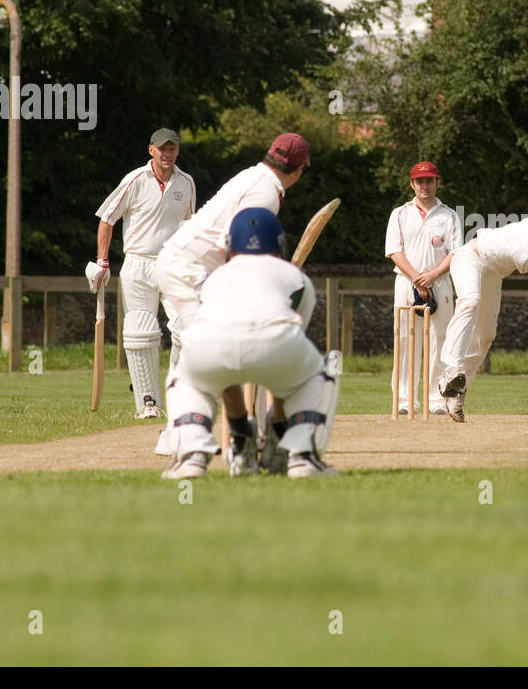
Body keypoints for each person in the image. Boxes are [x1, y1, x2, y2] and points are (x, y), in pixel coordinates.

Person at [154, 132, 309, 457]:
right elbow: (234, 244)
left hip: (185, 264)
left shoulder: (254, 176)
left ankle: (226, 432)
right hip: (189, 269)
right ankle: (221, 434)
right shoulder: (265, 193)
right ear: (299, 169)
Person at [161, 207, 338, 480]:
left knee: (185, 376)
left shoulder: (213, 279)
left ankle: (192, 455)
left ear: (230, 247)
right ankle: (303, 456)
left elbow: (223, 346)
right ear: (279, 244)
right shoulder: (297, 279)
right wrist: (278, 423)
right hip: (279, 348)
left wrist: (239, 427)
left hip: (210, 349)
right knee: (323, 371)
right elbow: (287, 348)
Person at [85, 128, 196, 418]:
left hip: (173, 263)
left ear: (177, 152)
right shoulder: (135, 179)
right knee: (141, 331)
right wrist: (102, 261)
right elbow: (107, 218)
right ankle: (147, 403)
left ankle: (178, 394)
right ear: (151, 150)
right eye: (162, 149)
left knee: (187, 328)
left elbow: (190, 225)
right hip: (138, 262)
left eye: (172, 149)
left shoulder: (186, 183)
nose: (167, 154)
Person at [437, 204, 528, 421]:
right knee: (470, 301)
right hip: (470, 257)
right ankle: (451, 370)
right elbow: (525, 264)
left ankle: (456, 392)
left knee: (486, 335)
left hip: (494, 272)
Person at [385, 160, 462, 415]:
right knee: (407, 340)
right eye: (420, 181)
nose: (425, 185)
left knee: (439, 342)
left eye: (429, 180)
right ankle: (406, 401)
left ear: (437, 182)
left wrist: (433, 275)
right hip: (407, 283)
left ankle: (437, 400)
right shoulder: (399, 213)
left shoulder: (449, 215)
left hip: (440, 283)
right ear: (412, 184)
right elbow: (394, 251)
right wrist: (419, 277)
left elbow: (455, 253)